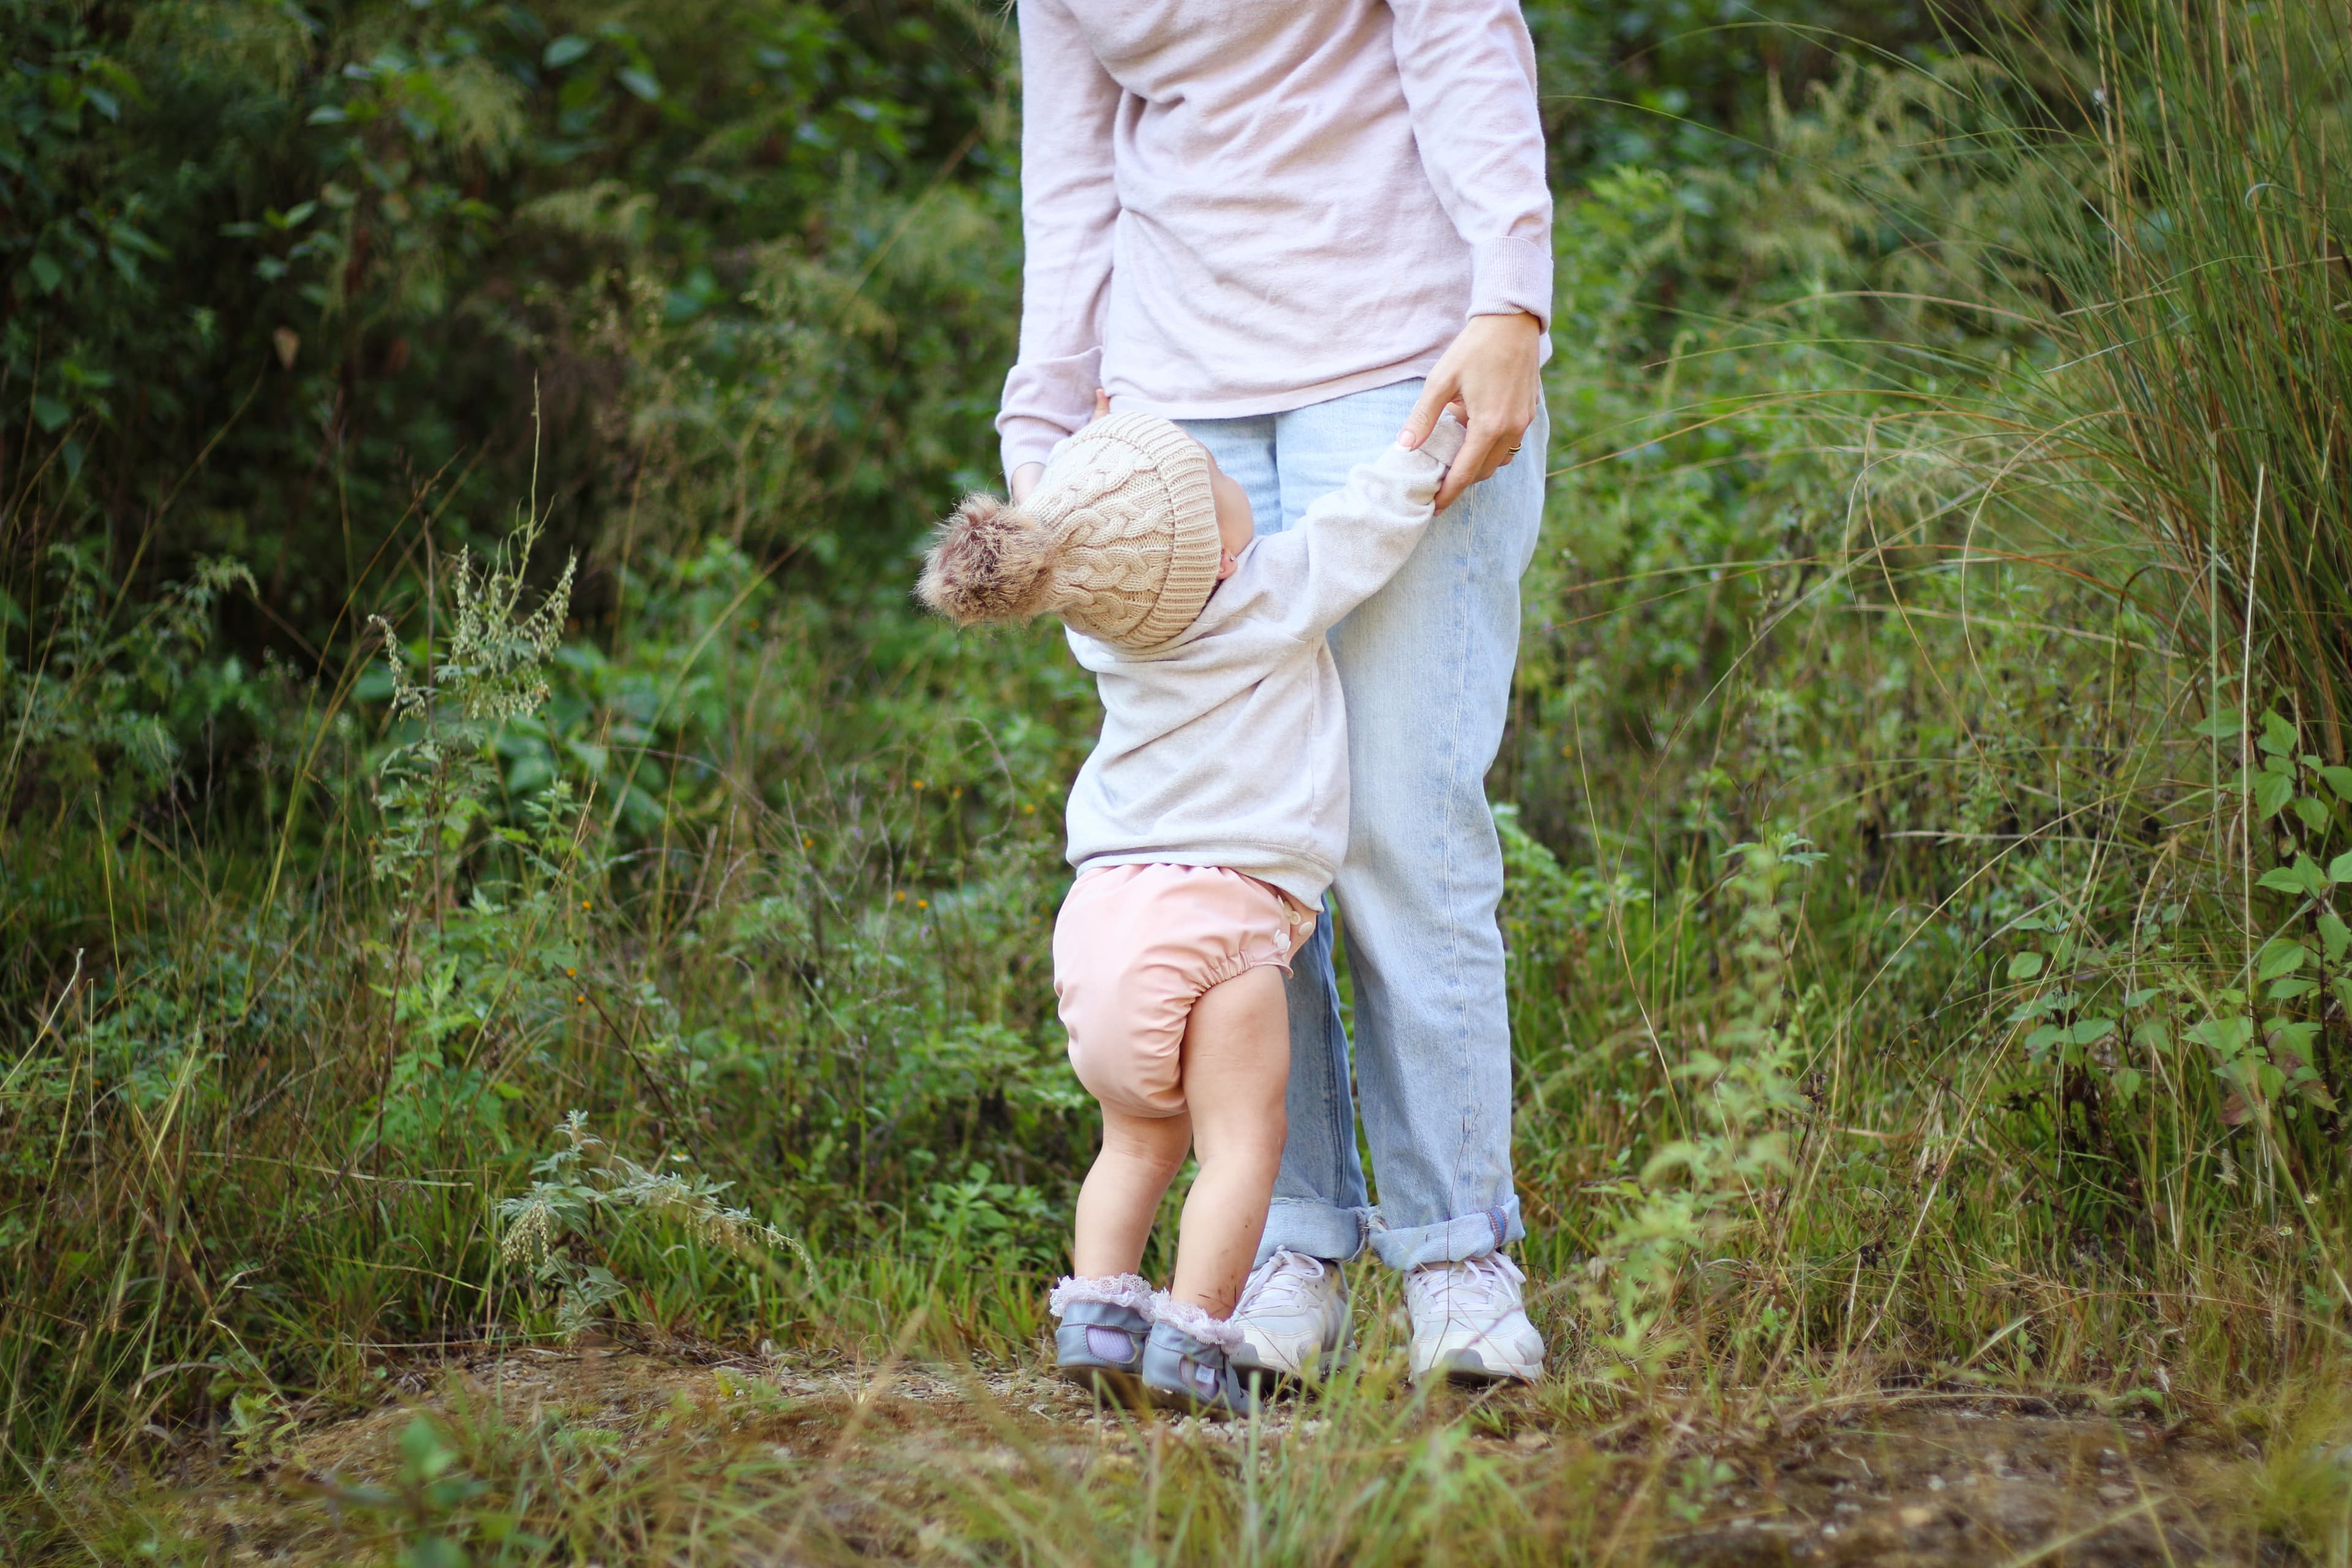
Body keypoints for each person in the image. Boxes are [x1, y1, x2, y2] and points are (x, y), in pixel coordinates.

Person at [997, 0, 1552, 1384]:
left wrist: (1511, 299)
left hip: (1397, 352)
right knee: (1232, 854)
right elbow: (1069, 175)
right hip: (1164, 412)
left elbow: (1459, 29)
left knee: (1399, 832)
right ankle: (1290, 1242)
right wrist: (1042, 427)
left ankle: (1454, 1252)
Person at [917, 405, 1466, 1414]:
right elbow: (1364, 526)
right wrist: (1428, 447)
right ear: (1216, 550)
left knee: (1132, 1143)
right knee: (1241, 1148)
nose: (1237, 488)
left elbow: (1090, 545)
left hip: (1101, 925)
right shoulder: (1265, 594)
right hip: (1219, 924)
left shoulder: (1101, 634)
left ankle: (1096, 1317)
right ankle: (1197, 1338)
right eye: (1218, 477)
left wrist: (1087, 467)